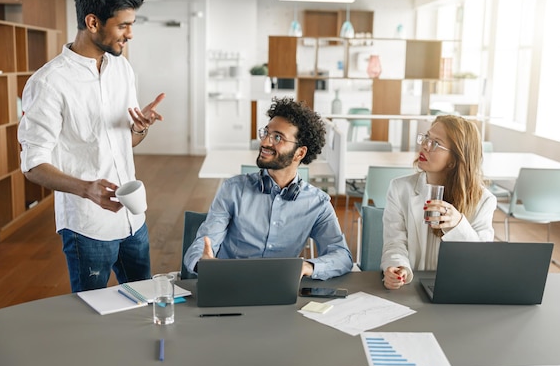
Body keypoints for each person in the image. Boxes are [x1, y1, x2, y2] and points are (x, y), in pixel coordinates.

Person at [17, 0, 165, 292]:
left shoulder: (122, 69)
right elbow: (32, 164)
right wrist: (87, 189)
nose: (131, 34)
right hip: (87, 226)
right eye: (123, 25)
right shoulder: (49, 83)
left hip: (132, 218)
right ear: (93, 22)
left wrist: (140, 128)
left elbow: (127, 141)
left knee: (144, 299)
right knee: (90, 312)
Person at [184, 97, 353, 280]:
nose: (265, 142)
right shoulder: (233, 189)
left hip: (279, 291)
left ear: (300, 153)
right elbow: (204, 242)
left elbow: (342, 256)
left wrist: (308, 266)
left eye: (277, 137)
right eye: (266, 133)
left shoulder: (317, 203)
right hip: (229, 283)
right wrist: (204, 263)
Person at [381, 115, 496, 289]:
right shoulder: (399, 188)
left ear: (455, 159)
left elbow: (481, 260)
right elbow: (395, 242)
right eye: (426, 137)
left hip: (459, 288)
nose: (424, 145)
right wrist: (399, 267)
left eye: (435, 143)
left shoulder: (484, 200)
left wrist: (458, 225)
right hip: (412, 287)